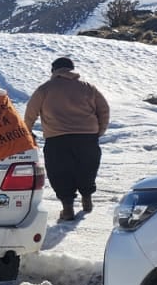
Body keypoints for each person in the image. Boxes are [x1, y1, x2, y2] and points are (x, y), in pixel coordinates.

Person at [23, 55, 110, 222]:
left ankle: (68, 208)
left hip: (57, 138)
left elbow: (30, 114)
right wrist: (99, 131)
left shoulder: (45, 89)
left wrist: (27, 132)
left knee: (60, 172)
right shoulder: (88, 88)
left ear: (53, 70)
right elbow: (104, 110)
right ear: (72, 69)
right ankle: (87, 199)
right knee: (87, 169)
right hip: (87, 137)